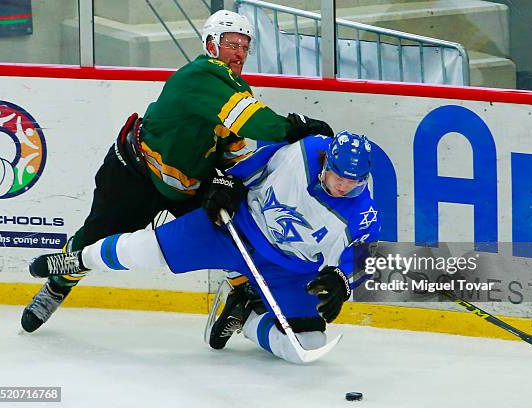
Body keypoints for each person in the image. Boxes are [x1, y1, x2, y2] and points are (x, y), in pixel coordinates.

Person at [21, 9, 334, 333]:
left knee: (231, 233)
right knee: (94, 239)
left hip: (189, 182)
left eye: (244, 46)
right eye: (231, 44)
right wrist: (293, 127)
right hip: (135, 173)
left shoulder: (236, 89)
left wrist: (228, 183)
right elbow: (253, 121)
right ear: (211, 45)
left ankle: (241, 297)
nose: (239, 53)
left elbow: (236, 152)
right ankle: (56, 285)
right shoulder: (202, 76)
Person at [29, 131, 380, 364]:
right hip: (233, 228)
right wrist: (226, 183)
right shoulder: (303, 152)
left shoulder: (362, 212)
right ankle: (78, 259)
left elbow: (359, 258)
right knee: (145, 250)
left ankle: (246, 316)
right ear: (326, 164)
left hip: (286, 269)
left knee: (308, 346)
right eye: (338, 177)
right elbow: (254, 163)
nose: (343, 187)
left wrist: (341, 280)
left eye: (353, 183)